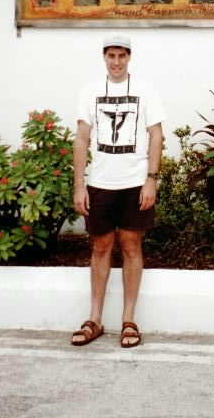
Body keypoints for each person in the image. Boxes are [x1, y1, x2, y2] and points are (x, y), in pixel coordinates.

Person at [71, 32, 166, 348]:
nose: (116, 62)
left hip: (134, 183)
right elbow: (81, 138)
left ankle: (128, 320)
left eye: (121, 55)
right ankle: (95, 319)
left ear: (129, 57)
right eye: (111, 55)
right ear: (104, 57)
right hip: (100, 183)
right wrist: (79, 185)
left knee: (131, 245)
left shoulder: (145, 90)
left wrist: (151, 179)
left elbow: (156, 135)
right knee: (100, 247)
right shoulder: (90, 91)